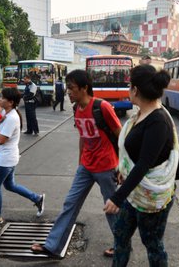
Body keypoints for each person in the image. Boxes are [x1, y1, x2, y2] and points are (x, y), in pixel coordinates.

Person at [31, 70, 122, 258]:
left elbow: (120, 135)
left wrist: (122, 165)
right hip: (86, 167)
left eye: (71, 88)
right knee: (70, 204)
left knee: (111, 209)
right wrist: (81, 161)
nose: (68, 92)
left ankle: (122, 245)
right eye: (67, 88)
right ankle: (53, 246)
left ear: (84, 88)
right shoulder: (76, 109)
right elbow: (83, 136)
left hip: (107, 167)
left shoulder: (102, 107)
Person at [103, 64, 176, 267]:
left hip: (152, 196)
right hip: (134, 192)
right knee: (120, 234)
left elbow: (144, 163)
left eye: (129, 86)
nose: (128, 90)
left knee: (152, 244)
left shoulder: (158, 121)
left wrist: (117, 197)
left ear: (135, 90)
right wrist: (122, 169)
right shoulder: (139, 115)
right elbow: (133, 153)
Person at [0, 88, 45, 226]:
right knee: (10, 185)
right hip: (9, 157)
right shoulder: (5, 112)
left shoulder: (12, 118)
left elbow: (1, 140)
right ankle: (37, 198)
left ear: (11, 102)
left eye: (2, 98)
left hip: (5, 159)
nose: (0, 100)